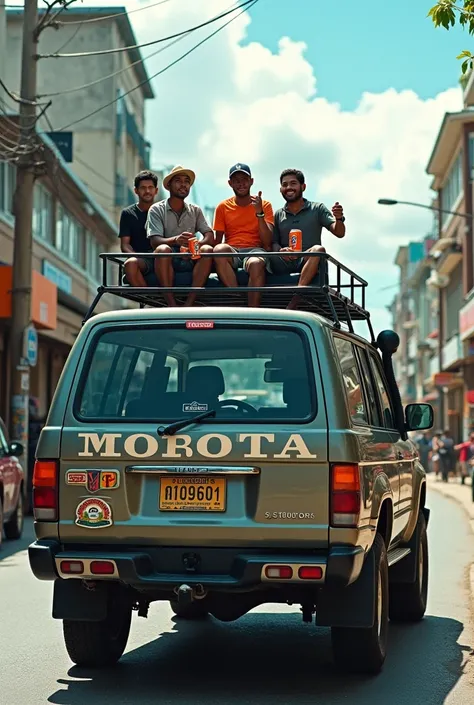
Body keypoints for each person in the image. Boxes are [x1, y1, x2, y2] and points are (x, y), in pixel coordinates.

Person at [270, 169, 346, 309]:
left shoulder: (317, 209)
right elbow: (273, 242)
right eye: (284, 184)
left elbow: (339, 232)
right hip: (284, 262)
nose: (288, 188)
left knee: (318, 249)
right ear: (280, 189)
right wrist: (281, 251)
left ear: (303, 187)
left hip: (307, 261)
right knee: (263, 255)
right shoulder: (278, 214)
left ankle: (296, 297)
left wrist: (339, 218)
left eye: (293, 183)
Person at [147, 165, 214, 307]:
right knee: (162, 249)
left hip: (190, 255)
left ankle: (189, 303)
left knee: (207, 249)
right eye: (178, 180)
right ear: (169, 185)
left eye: (187, 181)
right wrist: (176, 240)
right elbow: (155, 241)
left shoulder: (195, 210)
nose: (183, 185)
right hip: (167, 258)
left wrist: (195, 246)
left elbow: (209, 235)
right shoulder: (156, 209)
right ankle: (172, 305)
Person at [213, 163, 274, 307]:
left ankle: (253, 310)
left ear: (251, 181)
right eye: (236, 180)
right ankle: (237, 299)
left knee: (256, 263)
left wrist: (259, 213)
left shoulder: (265, 205)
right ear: (230, 183)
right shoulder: (222, 207)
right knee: (219, 250)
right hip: (232, 250)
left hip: (255, 250)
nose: (241, 183)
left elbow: (267, 242)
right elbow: (217, 241)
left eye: (244, 179)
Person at [119, 170, 159, 287]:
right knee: (131, 263)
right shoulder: (127, 213)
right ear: (136, 190)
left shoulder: (162, 211)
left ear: (156, 190)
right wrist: (136, 256)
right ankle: (150, 299)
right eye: (143, 188)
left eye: (150, 187)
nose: (147, 191)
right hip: (141, 260)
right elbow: (125, 245)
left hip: (162, 257)